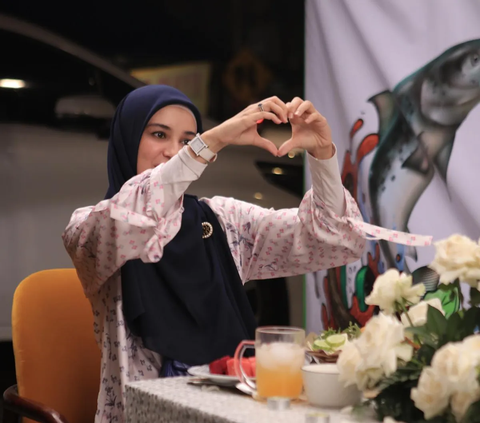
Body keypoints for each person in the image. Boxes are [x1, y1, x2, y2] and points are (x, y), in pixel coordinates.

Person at [62, 85, 366, 423]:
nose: (173, 152)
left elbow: (333, 240)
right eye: (159, 134)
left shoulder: (224, 221)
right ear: (127, 139)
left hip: (235, 408)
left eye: (187, 140)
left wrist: (323, 155)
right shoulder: (90, 227)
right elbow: (137, 215)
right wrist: (212, 140)